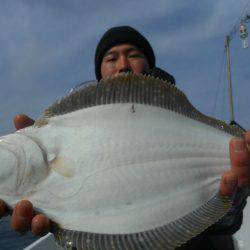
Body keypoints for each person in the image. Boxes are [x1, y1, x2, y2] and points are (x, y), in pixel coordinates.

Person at [0, 26, 249, 249]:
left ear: (149, 65)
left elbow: (224, 225)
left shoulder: (179, 118)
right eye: (111, 58)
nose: (123, 65)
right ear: (99, 72)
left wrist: (235, 194)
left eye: (133, 54)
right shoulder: (69, 121)